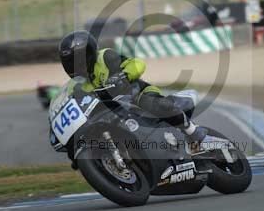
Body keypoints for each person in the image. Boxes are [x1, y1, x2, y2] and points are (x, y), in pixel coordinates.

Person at [53, 30, 207, 156]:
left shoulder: (106, 57)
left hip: (135, 93)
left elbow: (137, 64)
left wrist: (123, 75)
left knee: (149, 102)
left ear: (89, 54)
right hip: (112, 113)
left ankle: (193, 131)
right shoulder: (76, 86)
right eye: (68, 62)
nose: (73, 66)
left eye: (76, 61)